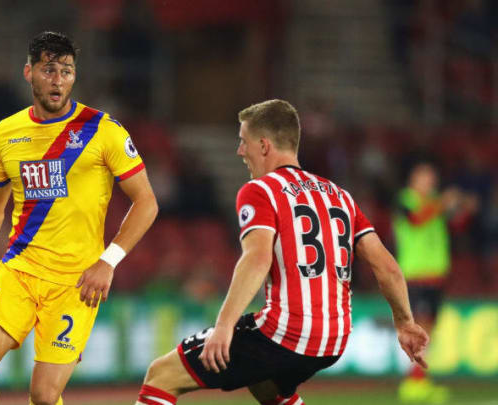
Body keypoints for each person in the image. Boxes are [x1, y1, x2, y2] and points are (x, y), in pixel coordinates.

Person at [135, 99, 429, 405]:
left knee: (162, 375)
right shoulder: (340, 196)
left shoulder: (260, 191)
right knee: (265, 385)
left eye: (243, 142)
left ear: (263, 146)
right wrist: (405, 322)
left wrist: (223, 327)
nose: (239, 151)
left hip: (286, 332)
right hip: (334, 337)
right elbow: (388, 268)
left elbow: (257, 258)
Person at [0, 31, 158, 405]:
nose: (58, 80)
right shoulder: (4, 135)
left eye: (66, 71)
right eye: (48, 70)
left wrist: (108, 262)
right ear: (28, 72)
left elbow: (147, 203)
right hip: (20, 269)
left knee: (44, 396)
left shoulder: (103, 130)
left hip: (76, 283)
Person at [394, 162, 459, 404]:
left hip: (436, 276)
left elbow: (456, 225)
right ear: (413, 179)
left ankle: (419, 381)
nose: (430, 182)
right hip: (415, 276)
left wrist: (462, 207)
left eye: (432, 177)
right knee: (418, 330)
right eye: (425, 177)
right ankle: (411, 384)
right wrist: (443, 203)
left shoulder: (434, 202)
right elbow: (416, 220)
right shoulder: (405, 200)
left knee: (428, 331)